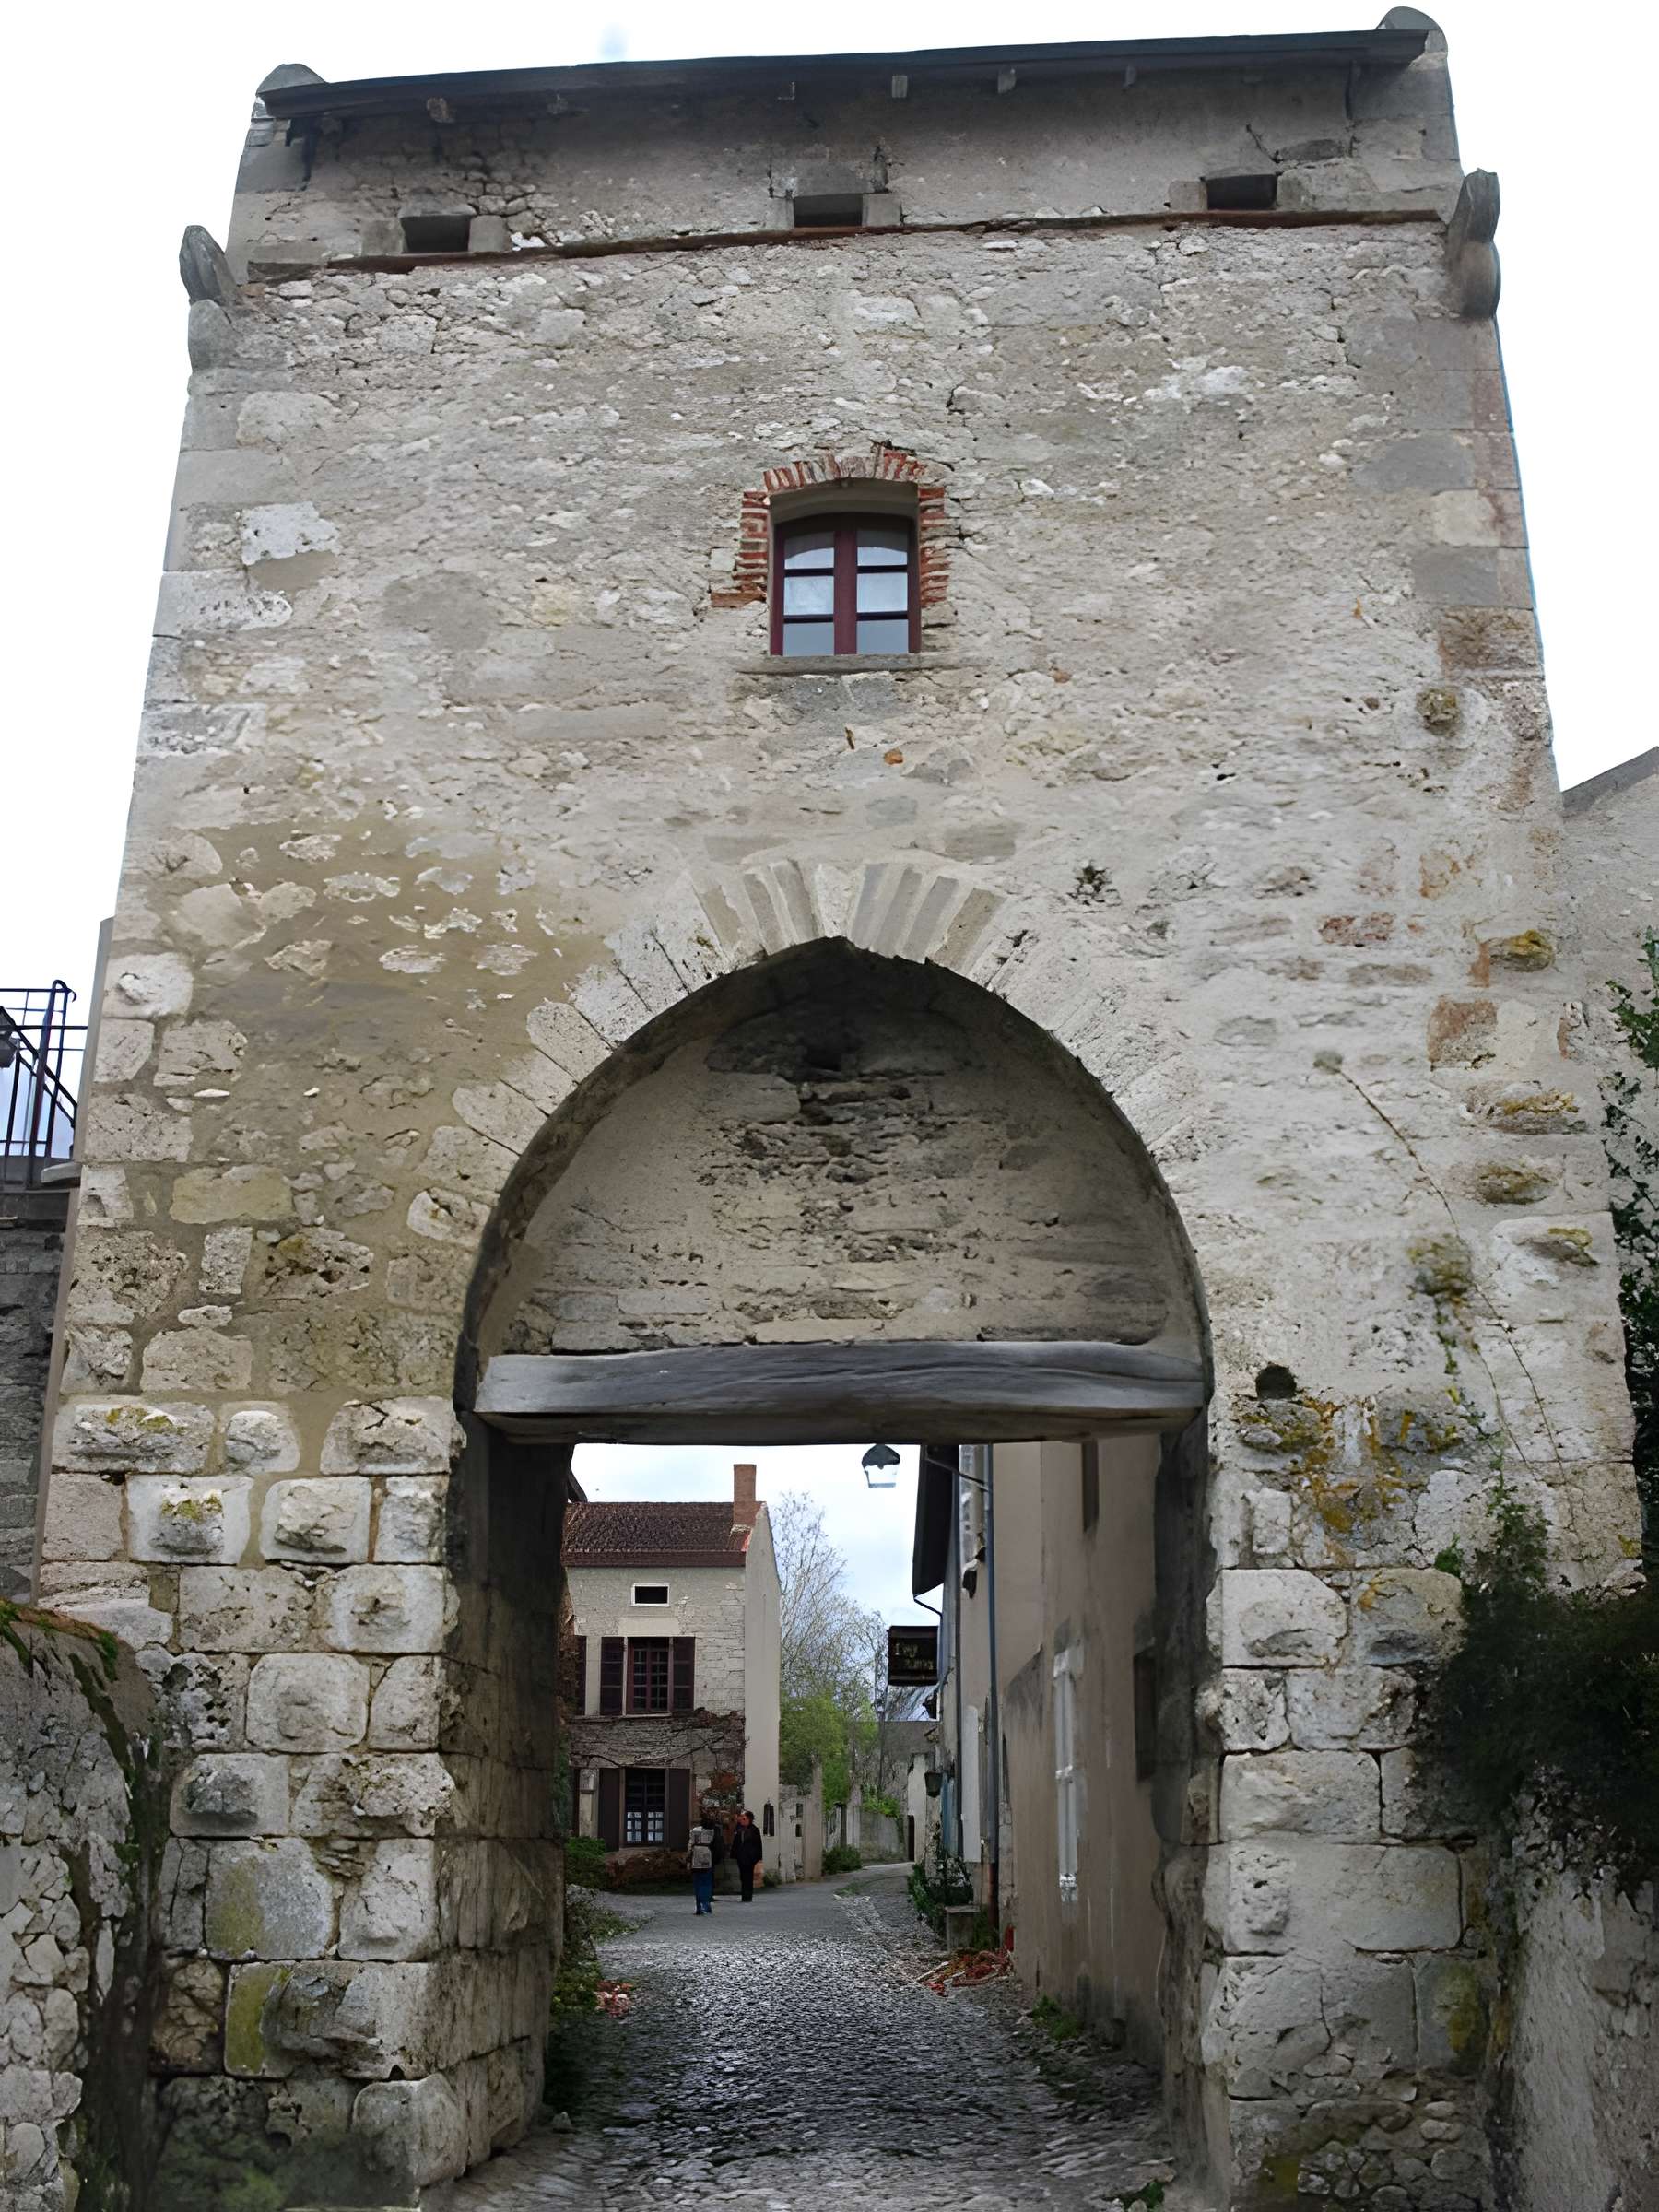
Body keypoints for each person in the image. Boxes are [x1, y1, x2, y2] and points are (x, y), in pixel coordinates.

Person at [688, 1806, 718, 1915]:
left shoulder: (694, 1831)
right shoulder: (712, 1832)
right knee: (706, 1883)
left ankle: (699, 1906)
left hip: (696, 1859)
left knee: (697, 1883)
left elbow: (690, 1845)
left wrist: (688, 1858)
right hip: (707, 1858)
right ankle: (706, 1904)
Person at [731, 1807, 764, 1902]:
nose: (742, 1820)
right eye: (741, 1818)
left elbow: (758, 1844)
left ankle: (747, 1896)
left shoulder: (754, 1830)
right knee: (743, 1876)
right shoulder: (739, 1829)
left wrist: (757, 1857)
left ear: (749, 1819)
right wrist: (734, 1854)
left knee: (748, 1877)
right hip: (741, 1857)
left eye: (744, 1818)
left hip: (750, 1858)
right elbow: (736, 1843)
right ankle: (744, 1895)